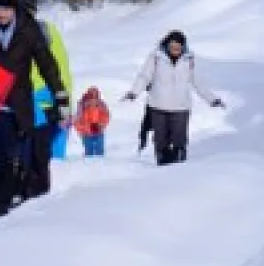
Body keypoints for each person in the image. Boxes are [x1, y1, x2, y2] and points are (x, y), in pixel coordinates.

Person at [0, 0, 68, 217]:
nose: (1, 14)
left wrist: (60, 96)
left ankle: (2, 211)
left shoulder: (28, 28)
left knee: (10, 161)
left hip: (16, 106)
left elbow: (47, 64)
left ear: (14, 7)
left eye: (6, 8)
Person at [124, 30, 225, 165]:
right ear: (167, 44)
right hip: (158, 106)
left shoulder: (188, 59)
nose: (175, 50)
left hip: (181, 108)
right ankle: (161, 167)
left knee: (179, 141)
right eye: (172, 47)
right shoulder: (156, 57)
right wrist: (134, 92)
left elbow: (197, 81)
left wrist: (212, 99)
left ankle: (180, 169)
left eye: (178, 48)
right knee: (160, 141)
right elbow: (144, 76)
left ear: (183, 47)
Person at [17, 0, 72, 197]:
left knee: (38, 151)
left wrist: (63, 100)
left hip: (40, 96)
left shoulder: (46, 32)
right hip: (21, 97)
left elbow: (59, 68)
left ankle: (38, 195)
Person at [73, 86, 111, 157]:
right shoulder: (82, 106)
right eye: (91, 97)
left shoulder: (101, 105)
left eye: (95, 97)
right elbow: (77, 121)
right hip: (87, 134)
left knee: (99, 151)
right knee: (89, 152)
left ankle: (100, 164)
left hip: (99, 132)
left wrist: (101, 125)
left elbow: (106, 116)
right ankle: (88, 164)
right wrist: (84, 129)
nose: (93, 100)